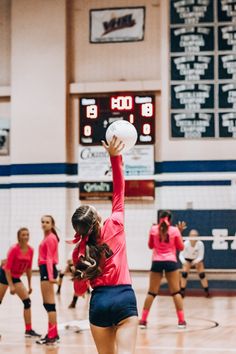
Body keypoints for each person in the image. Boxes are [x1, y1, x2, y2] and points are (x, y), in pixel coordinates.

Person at [70, 136, 138, 354]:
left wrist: (84, 275)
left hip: (99, 301)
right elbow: (119, 188)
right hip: (123, 297)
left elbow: (79, 290)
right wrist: (114, 157)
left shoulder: (79, 251)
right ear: (97, 219)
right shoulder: (115, 223)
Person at [139, 210, 186, 329]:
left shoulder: (153, 229)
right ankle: (181, 321)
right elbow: (181, 247)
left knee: (151, 292)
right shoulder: (174, 231)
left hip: (157, 262)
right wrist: (179, 233)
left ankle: (143, 321)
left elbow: (150, 246)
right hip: (171, 262)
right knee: (176, 292)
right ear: (170, 219)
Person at [0, 228, 41, 337]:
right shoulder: (14, 249)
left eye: (27, 234)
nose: (26, 237)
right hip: (4, 275)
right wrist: (11, 286)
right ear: (19, 237)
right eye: (23, 235)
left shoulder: (31, 250)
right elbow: (7, 268)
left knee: (27, 302)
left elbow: (28, 268)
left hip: (16, 277)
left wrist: (30, 285)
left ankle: (28, 330)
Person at [36, 215, 60, 345]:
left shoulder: (51, 238)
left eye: (47, 222)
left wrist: (50, 277)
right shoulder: (47, 237)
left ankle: (52, 336)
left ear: (52, 224)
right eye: (43, 222)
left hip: (47, 271)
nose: (44, 224)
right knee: (47, 304)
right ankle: (53, 333)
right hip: (44, 270)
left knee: (50, 305)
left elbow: (50, 258)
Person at [179, 229, 210, 297]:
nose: (193, 237)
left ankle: (206, 291)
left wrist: (194, 262)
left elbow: (201, 256)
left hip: (196, 260)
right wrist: (184, 262)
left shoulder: (200, 244)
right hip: (187, 259)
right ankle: (182, 291)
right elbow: (181, 255)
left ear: (197, 236)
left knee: (202, 274)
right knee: (184, 274)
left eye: (195, 235)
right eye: (192, 235)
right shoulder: (185, 243)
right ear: (189, 236)